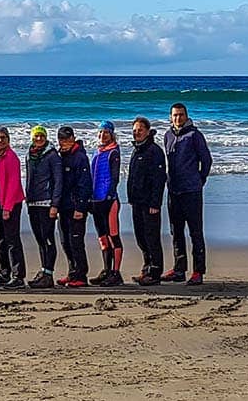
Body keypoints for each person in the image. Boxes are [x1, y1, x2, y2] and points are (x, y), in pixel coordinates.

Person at [163, 100, 212, 285]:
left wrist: (200, 180)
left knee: (195, 232)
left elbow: (206, 160)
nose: (178, 118)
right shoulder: (167, 135)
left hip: (191, 190)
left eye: (181, 114)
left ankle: (198, 271)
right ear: (170, 117)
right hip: (173, 191)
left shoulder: (194, 135)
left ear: (186, 116)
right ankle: (179, 269)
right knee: (176, 232)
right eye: (175, 115)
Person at [127, 115, 167, 284]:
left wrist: (155, 203)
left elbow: (159, 179)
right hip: (137, 201)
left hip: (150, 204)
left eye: (140, 130)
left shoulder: (154, 151)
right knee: (141, 237)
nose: (137, 133)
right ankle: (146, 269)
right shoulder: (137, 149)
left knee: (152, 237)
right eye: (135, 130)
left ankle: (155, 272)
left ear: (148, 131)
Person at [87, 120, 125, 286]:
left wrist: (109, 196)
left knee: (113, 237)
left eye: (106, 133)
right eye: (100, 133)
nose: (103, 136)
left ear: (111, 134)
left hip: (109, 201)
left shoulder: (113, 152)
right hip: (95, 200)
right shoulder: (97, 152)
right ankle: (106, 270)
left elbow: (115, 178)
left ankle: (116, 273)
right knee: (102, 238)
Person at [55, 124, 93, 288]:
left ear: (73, 138)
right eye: (62, 139)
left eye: (68, 138)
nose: (65, 142)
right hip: (63, 206)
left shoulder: (80, 157)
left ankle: (81, 275)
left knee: (76, 241)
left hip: (76, 207)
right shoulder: (60, 156)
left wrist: (80, 208)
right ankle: (72, 272)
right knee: (65, 241)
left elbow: (85, 184)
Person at [0, 126, 26, 287]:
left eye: (3, 137)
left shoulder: (11, 158)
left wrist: (7, 208)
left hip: (10, 203)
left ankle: (18, 276)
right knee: (0, 239)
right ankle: (4, 272)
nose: (0, 140)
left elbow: (13, 184)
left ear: (8, 140)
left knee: (12, 240)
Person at [24, 124, 60, 287]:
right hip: (33, 202)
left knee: (48, 239)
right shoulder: (29, 154)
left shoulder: (52, 155)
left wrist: (55, 204)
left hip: (47, 203)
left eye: (42, 136)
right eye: (36, 136)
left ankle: (49, 273)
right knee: (40, 240)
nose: (39, 139)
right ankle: (44, 270)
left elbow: (59, 181)